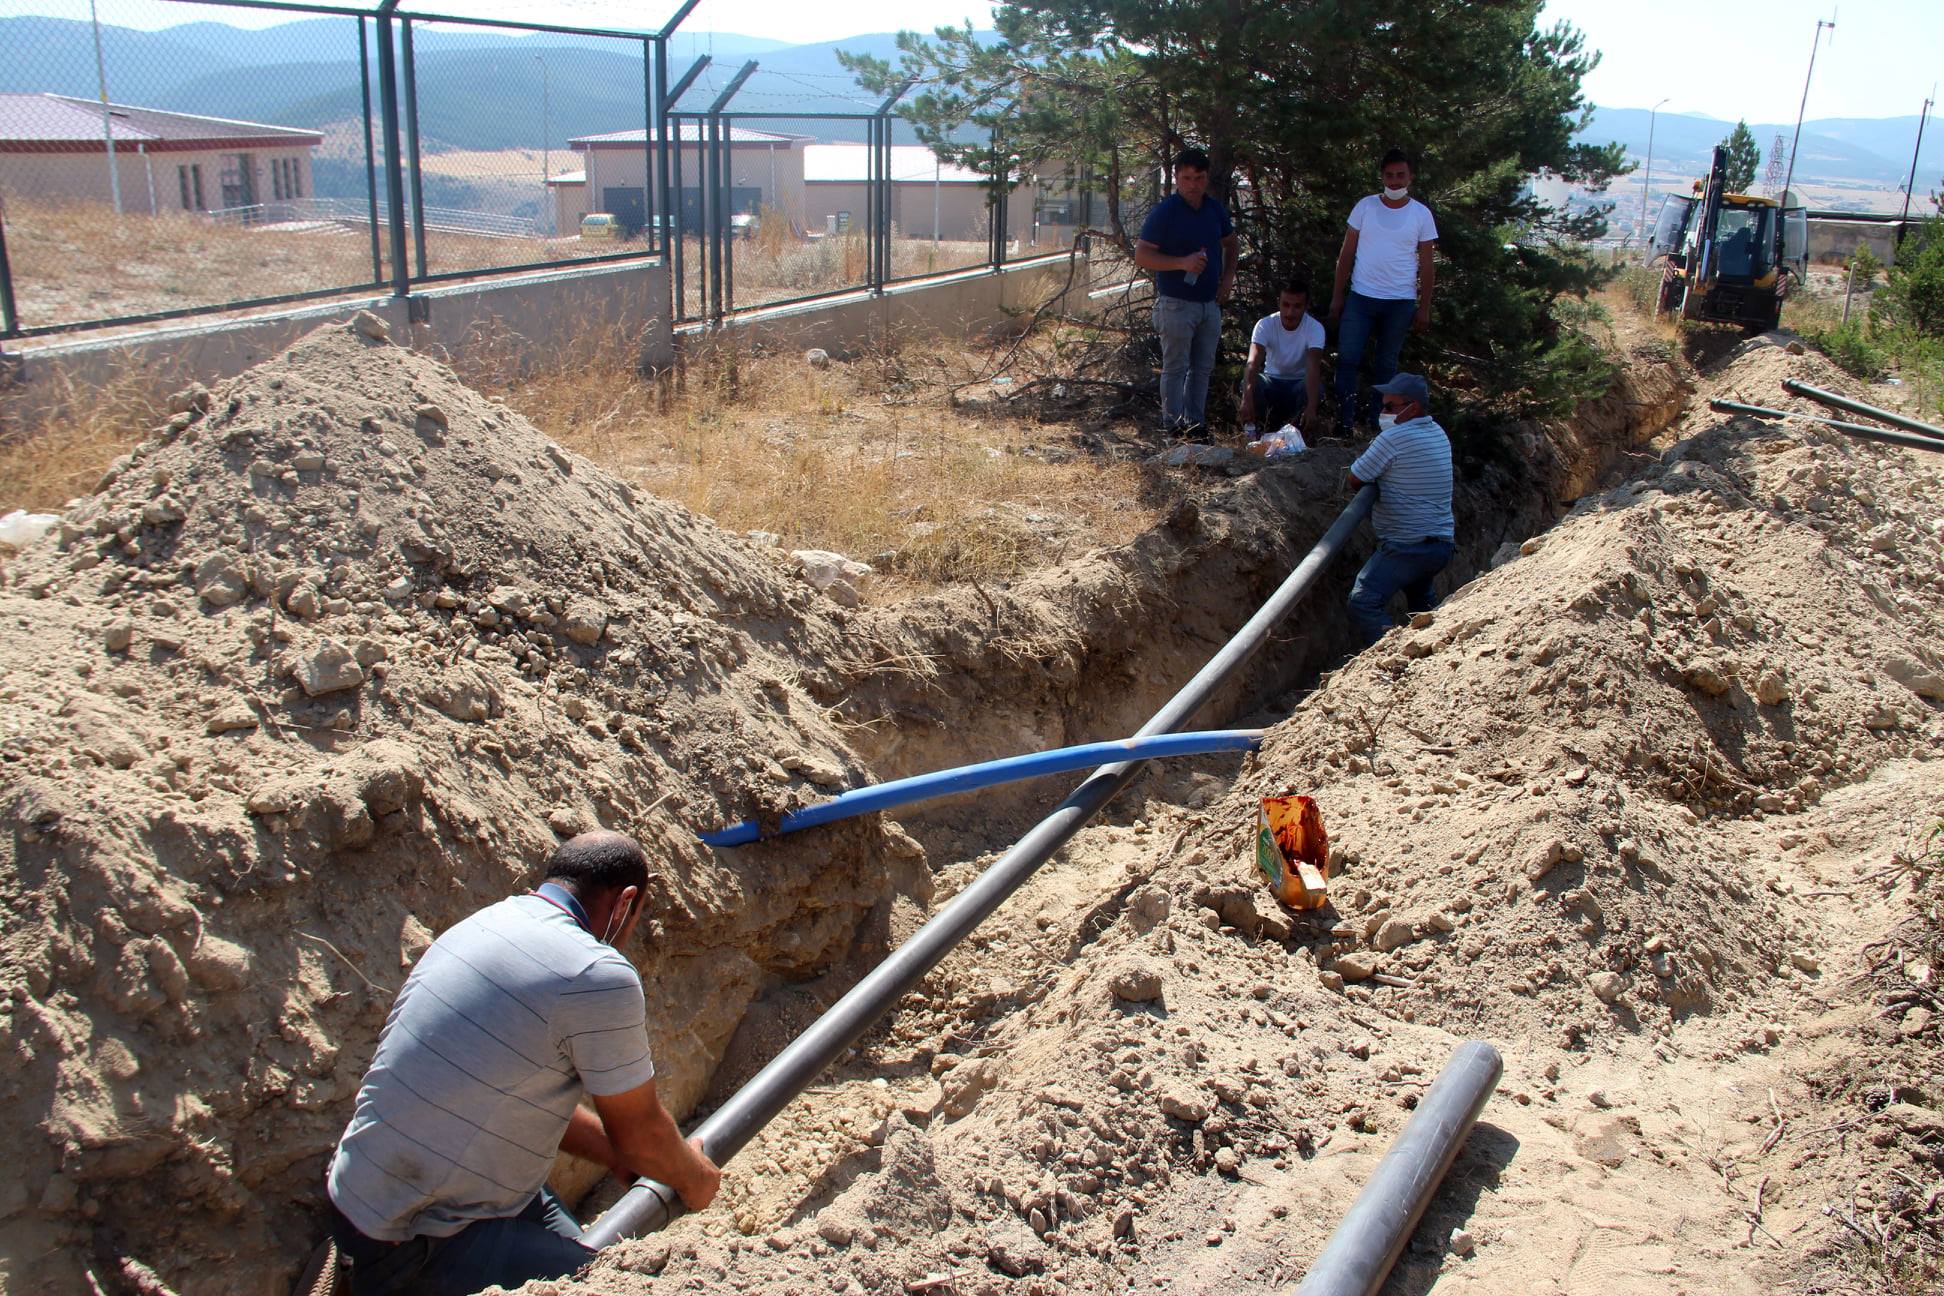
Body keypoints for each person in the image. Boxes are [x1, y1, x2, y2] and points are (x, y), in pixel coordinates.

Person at [325, 830, 721, 1295]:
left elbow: (508, 1091)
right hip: (418, 1239)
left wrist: (612, 1154)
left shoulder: (484, 924)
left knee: (588, 1261)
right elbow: (640, 1135)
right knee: (610, 1286)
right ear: (625, 902)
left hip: (358, 1200)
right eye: (636, 917)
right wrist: (696, 1180)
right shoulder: (595, 973)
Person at [1328, 149, 1438, 432]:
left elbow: (1427, 265)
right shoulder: (1365, 207)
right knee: (1348, 359)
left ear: (1410, 177)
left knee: (1386, 367)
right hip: (1361, 297)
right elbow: (1346, 254)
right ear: (1381, 176)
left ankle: (1380, 426)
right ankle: (1344, 423)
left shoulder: (1421, 214)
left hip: (1400, 301)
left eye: (1400, 175)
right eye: (1389, 175)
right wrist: (1338, 296)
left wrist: (1424, 307)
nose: (1394, 181)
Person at [1345, 372, 1454, 647]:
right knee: (1421, 604)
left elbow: (1354, 478)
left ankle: (1394, 653)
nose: (1383, 413)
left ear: (1413, 407)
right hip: (1440, 545)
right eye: (1382, 405)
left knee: (1363, 601)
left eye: (1390, 407)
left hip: (1407, 546)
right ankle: (1434, 650)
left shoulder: (1394, 439)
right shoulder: (1437, 431)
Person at [1134, 147, 1238, 434]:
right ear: (1177, 178)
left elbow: (1231, 242)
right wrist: (1182, 263)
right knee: (1175, 367)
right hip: (1176, 303)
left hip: (1209, 303)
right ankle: (1173, 426)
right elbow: (1142, 255)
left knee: (1202, 369)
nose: (1193, 184)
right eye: (1187, 178)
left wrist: (1228, 278)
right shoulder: (1165, 212)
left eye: (1199, 178)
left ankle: (1196, 424)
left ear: (1207, 179)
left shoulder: (1214, 209)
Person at [1240, 277, 1325, 435]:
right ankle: (1258, 429)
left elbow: (1313, 368)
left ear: (1306, 306)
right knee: (1252, 383)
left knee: (1315, 389)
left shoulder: (1315, 328)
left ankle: (1299, 432)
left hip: (1299, 384)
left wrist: (1312, 407)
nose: (1290, 312)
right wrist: (1246, 398)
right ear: (1279, 302)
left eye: (1297, 306)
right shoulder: (1265, 324)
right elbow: (1252, 363)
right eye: (1286, 305)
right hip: (1271, 382)